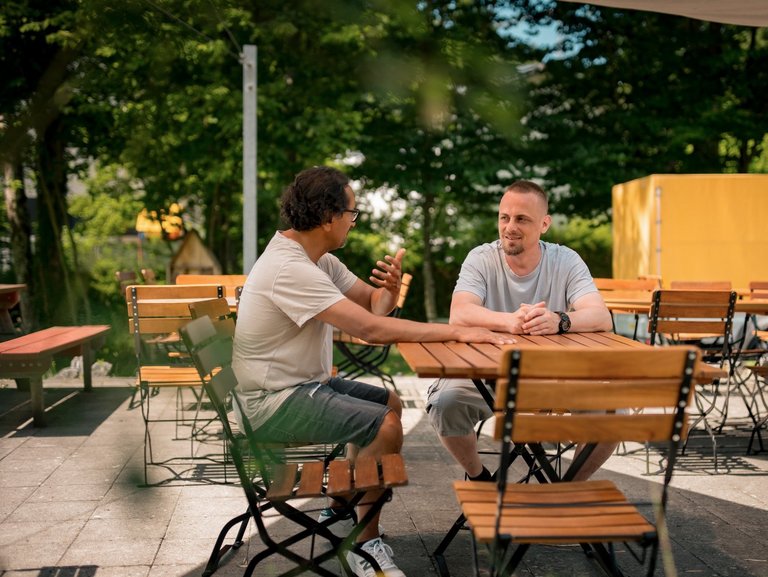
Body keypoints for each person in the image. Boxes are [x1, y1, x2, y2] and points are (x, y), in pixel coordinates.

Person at [232, 166, 513, 577]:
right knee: (384, 426)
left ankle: (339, 505)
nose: (354, 220)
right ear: (328, 216)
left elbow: (374, 307)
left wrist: (390, 291)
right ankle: (364, 547)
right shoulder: (289, 268)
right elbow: (371, 331)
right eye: (352, 212)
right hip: (272, 403)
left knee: (391, 403)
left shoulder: (319, 260)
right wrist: (457, 330)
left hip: (301, 387)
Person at [425, 179, 614, 483]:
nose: (510, 227)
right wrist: (509, 321)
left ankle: (567, 490)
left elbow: (601, 316)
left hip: (554, 377)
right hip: (489, 379)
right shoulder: (481, 258)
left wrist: (560, 320)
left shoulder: (565, 260)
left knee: (612, 410)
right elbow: (459, 315)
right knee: (444, 402)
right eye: (504, 217)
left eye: (522, 219)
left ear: (544, 224)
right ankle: (479, 478)